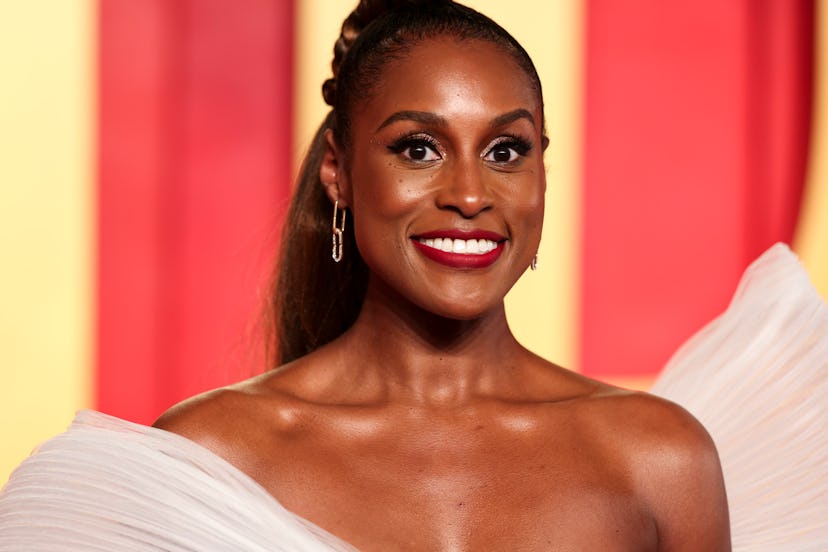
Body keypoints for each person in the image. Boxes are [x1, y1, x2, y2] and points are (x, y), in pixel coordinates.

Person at [15, 0, 828, 549]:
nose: (470, 193)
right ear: (338, 170)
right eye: (418, 148)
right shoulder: (210, 457)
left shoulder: (661, 459)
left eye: (506, 151)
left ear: (543, 173)